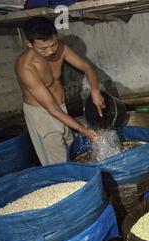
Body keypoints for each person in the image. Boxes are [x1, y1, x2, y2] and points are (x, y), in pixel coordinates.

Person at [15, 17, 104, 165]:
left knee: (72, 152)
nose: (50, 52)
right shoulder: (26, 67)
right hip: (42, 115)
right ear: (29, 44)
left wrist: (95, 91)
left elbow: (87, 68)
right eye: (43, 48)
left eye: (53, 44)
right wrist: (85, 131)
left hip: (61, 108)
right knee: (58, 162)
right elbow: (52, 109)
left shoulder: (61, 49)